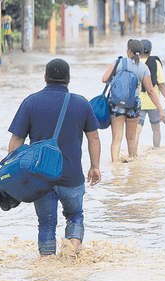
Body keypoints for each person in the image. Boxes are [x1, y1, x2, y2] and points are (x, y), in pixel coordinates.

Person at [7, 58, 101, 256]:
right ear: (69, 79)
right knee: (75, 216)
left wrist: (13, 171)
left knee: (46, 225)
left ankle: (48, 271)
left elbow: (16, 141)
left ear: (45, 78)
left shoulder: (31, 102)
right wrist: (95, 167)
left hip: (40, 178)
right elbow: (94, 137)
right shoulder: (82, 103)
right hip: (72, 177)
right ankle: (70, 253)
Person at [102, 39, 165, 162]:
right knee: (131, 137)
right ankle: (133, 163)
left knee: (116, 138)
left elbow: (104, 79)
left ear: (129, 51)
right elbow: (150, 91)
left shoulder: (118, 62)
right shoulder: (143, 68)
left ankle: (115, 166)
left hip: (116, 104)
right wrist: (160, 110)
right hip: (134, 104)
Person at [136, 39, 165, 148]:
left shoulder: (134, 63)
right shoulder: (156, 63)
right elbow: (161, 84)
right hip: (154, 102)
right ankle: (157, 150)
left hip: (138, 102)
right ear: (150, 51)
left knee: (137, 130)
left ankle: (133, 153)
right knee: (156, 129)